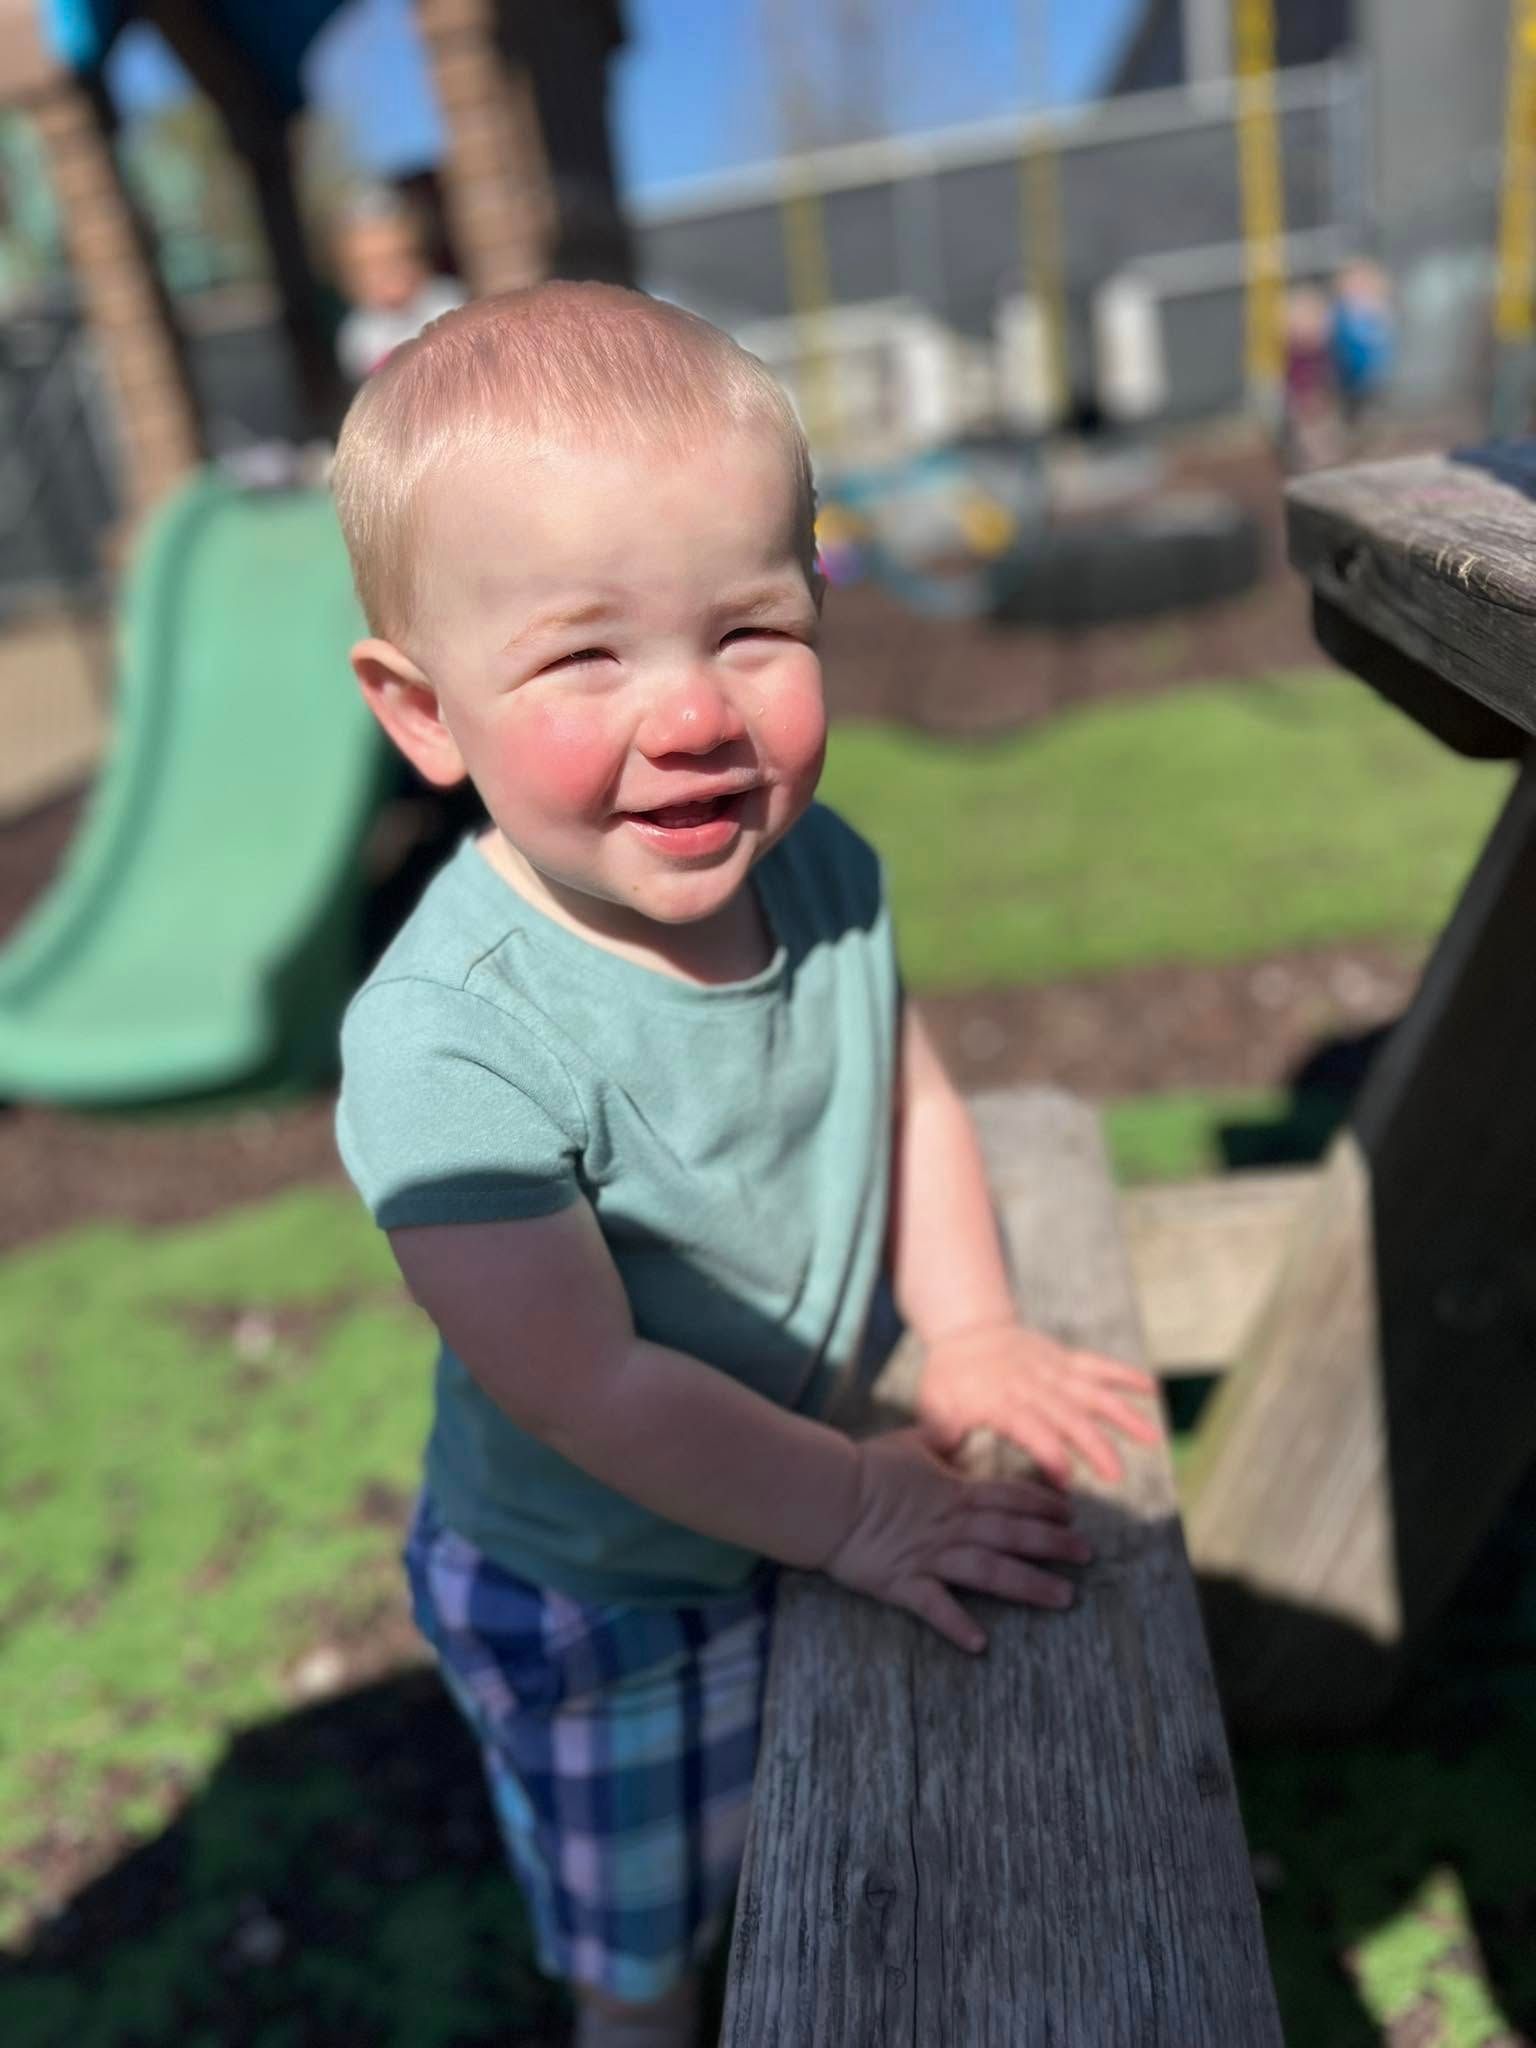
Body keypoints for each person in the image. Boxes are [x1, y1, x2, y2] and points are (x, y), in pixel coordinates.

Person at [331, 282, 1158, 2048]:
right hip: (598, 1585)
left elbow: (909, 1095)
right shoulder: (448, 1039)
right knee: (649, 1944)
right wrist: (856, 1502)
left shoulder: (822, 862)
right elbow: (590, 1385)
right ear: (422, 709)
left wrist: (978, 1327)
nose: (695, 711)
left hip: (793, 1481)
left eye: (751, 629)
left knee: (823, 1833)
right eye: (584, 653)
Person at [332, 194, 467, 386]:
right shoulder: (359, 337)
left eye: (395, 261)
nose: (385, 276)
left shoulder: (449, 303)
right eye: (369, 269)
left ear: (422, 259)